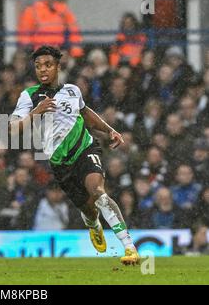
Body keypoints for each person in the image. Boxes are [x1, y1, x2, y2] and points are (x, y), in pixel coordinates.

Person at [9, 45, 139, 265]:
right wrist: (35, 112)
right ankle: (93, 224)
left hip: (85, 148)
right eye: (38, 66)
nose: (43, 70)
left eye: (48, 65)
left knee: (98, 192)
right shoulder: (29, 95)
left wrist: (109, 130)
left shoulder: (73, 90)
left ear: (58, 66)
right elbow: (12, 128)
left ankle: (129, 247)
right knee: (89, 209)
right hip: (60, 162)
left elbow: (85, 113)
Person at [17, 0, 83, 58]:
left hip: (59, 49)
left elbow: (74, 29)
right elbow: (25, 32)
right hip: (39, 50)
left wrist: (75, 50)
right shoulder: (32, 11)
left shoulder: (63, 10)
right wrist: (28, 49)